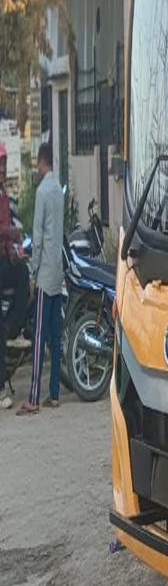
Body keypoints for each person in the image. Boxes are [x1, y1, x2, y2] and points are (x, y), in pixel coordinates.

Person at [17, 143, 64, 416]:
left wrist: (33, 273)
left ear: (40, 162)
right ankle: (54, 394)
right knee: (55, 336)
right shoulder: (58, 189)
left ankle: (33, 397)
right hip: (57, 271)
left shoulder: (42, 192)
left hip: (45, 272)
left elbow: (37, 237)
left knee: (39, 334)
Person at [0, 142, 29, 410]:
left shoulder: (4, 192)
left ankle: (12, 328)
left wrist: (14, 252)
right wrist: (12, 234)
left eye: (4, 162)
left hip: (3, 259)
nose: (2, 167)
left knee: (23, 275)